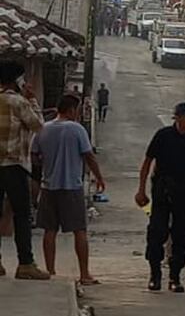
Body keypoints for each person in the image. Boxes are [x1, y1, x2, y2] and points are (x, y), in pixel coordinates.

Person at [135, 103, 185, 293]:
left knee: (182, 235)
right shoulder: (163, 136)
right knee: (157, 232)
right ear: (177, 118)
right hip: (163, 190)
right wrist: (141, 190)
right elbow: (147, 163)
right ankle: (155, 274)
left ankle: (175, 277)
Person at [32, 93, 106, 284]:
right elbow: (89, 156)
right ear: (73, 110)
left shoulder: (43, 129)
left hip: (48, 187)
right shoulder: (77, 129)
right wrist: (99, 178)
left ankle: (50, 270)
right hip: (72, 187)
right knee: (79, 231)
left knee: (49, 230)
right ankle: (84, 274)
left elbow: (34, 156)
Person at [0, 61, 48, 280]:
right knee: (22, 214)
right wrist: (32, 99)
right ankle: (25, 263)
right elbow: (38, 125)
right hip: (14, 165)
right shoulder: (19, 102)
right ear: (16, 80)